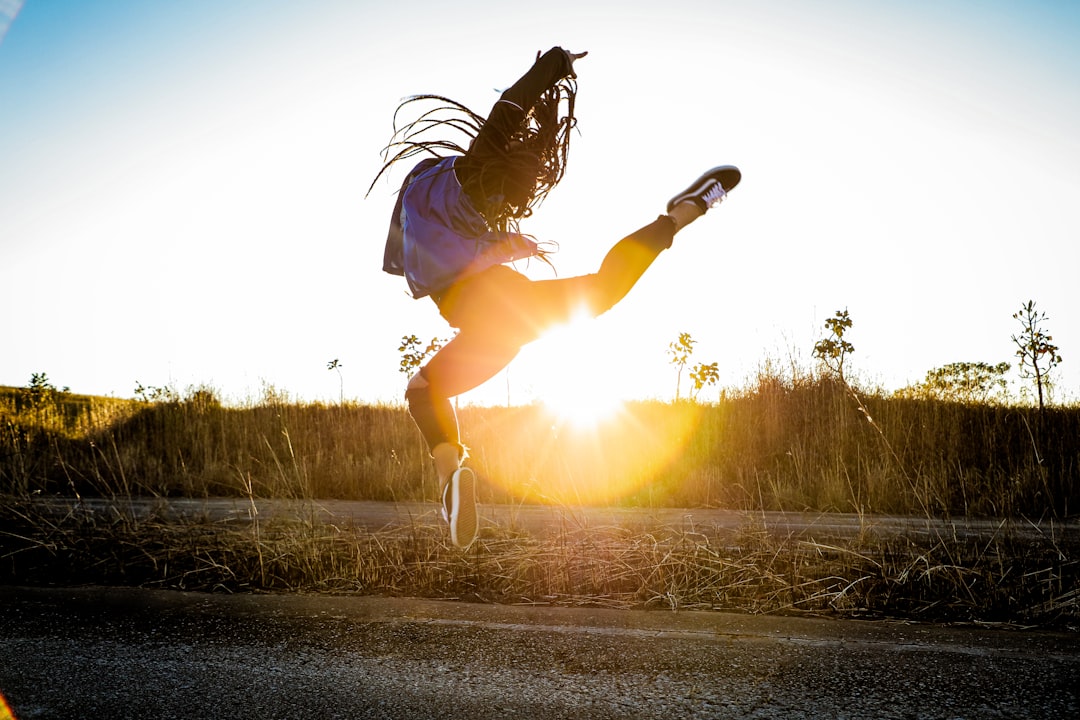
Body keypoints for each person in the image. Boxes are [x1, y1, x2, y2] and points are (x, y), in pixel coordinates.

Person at [371, 47, 740, 549]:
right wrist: (554, 65)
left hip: (489, 322)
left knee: (422, 390)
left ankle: (450, 474)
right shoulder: (473, 178)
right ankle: (678, 216)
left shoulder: (443, 198)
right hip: (506, 319)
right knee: (603, 290)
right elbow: (511, 106)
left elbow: (507, 115)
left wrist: (553, 68)